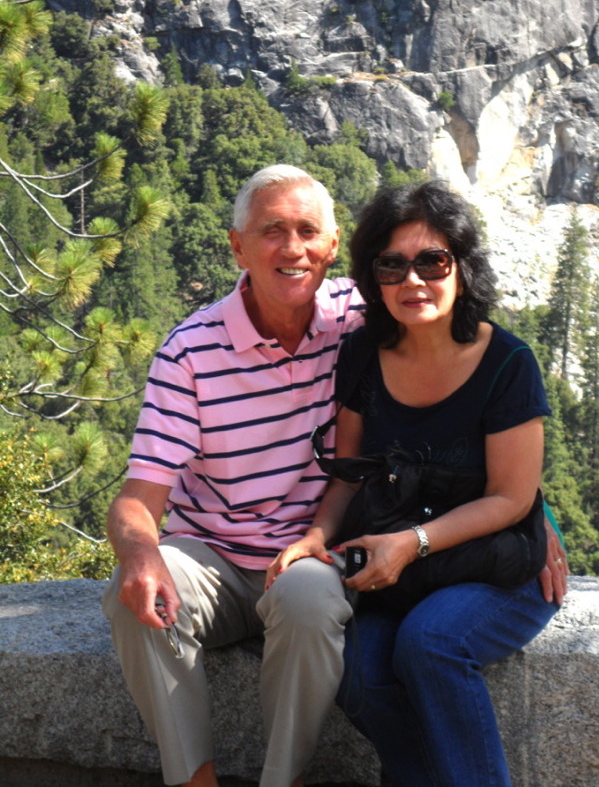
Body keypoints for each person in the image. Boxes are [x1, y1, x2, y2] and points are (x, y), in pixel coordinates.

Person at [268, 180, 565, 787]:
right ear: (372, 279)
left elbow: (512, 497)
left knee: (430, 643)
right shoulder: (362, 356)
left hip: (492, 569)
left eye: (432, 261)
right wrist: (315, 538)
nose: (413, 282)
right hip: (398, 573)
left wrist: (415, 541)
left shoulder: (508, 364)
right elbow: (350, 478)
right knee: (356, 669)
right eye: (392, 265)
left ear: (463, 266)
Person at [102, 165, 364, 787]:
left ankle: (284, 780)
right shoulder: (190, 351)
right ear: (237, 246)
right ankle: (194, 780)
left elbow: (471, 374)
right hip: (210, 558)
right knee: (126, 593)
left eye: (307, 231)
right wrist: (141, 554)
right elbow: (138, 500)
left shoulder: (360, 319)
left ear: (332, 245)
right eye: (272, 230)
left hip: (309, 553)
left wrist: (527, 508)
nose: (292, 248)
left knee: (309, 601)